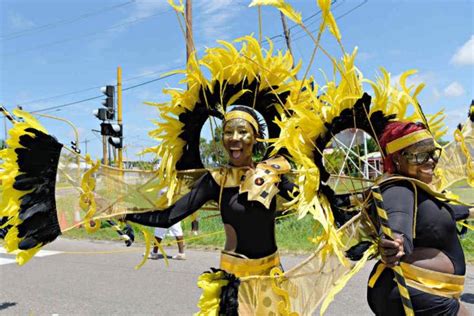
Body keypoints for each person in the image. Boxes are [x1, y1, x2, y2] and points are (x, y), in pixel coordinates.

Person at [368, 121, 474, 315]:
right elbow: (397, 218)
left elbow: (435, 214)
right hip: (414, 291)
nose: (431, 160)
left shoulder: (417, 189)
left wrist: (470, 211)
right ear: (398, 158)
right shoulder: (398, 188)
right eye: (420, 155)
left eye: (433, 153)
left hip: (420, 291)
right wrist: (395, 241)